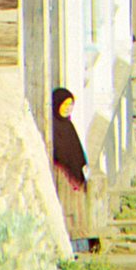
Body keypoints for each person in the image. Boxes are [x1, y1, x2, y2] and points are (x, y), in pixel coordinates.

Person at [49, 88, 96, 253]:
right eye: (65, 105)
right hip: (63, 179)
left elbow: (77, 151)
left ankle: (81, 245)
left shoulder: (68, 126)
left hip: (75, 179)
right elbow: (59, 155)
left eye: (71, 106)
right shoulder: (54, 128)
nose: (68, 109)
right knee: (68, 213)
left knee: (78, 213)